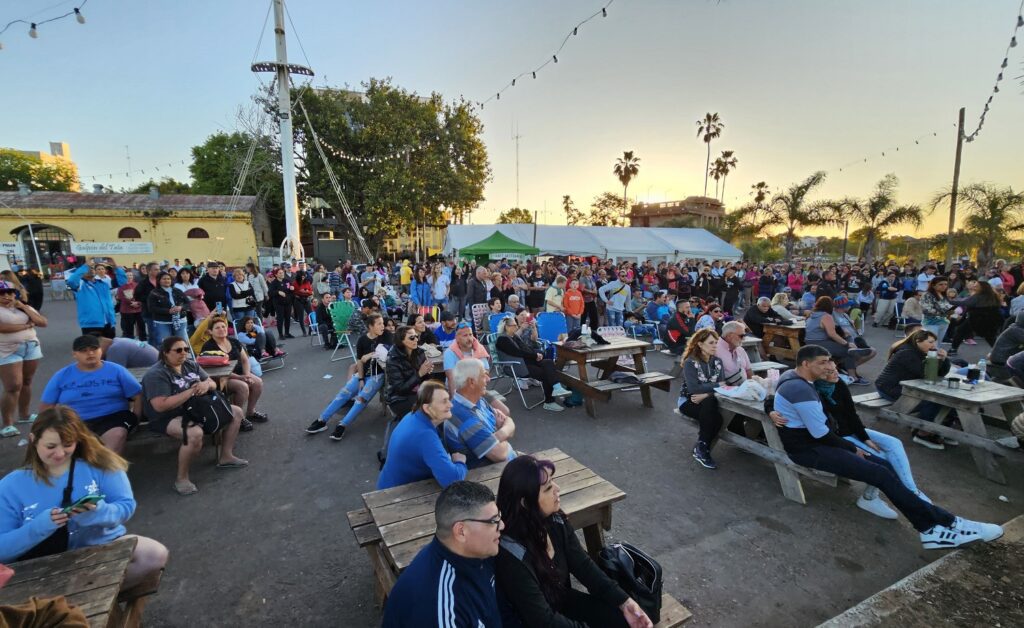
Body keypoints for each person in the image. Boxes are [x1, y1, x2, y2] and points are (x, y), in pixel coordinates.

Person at [772, 344, 1003, 549]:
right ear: (805, 364)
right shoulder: (801, 389)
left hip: (821, 442)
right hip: (809, 449)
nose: (829, 366)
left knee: (885, 466)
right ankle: (944, 523)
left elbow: (780, 399)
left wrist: (771, 408)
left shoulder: (795, 377)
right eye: (822, 363)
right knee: (879, 472)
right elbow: (820, 433)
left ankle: (933, 527)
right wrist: (853, 448)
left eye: (829, 361)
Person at [0, 406, 169, 588]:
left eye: (68, 445)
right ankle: (84, 592)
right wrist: (39, 527)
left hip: (99, 546)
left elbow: (125, 506)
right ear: (33, 440)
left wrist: (99, 512)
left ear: (77, 440)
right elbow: (3, 550)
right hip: (40, 563)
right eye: (50, 446)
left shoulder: (101, 465)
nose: (60, 454)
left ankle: (92, 592)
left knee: (154, 554)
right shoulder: (11, 485)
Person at [496, 455, 653, 628]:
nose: (557, 489)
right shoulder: (512, 554)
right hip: (531, 622)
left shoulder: (554, 520)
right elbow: (542, 620)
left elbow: (584, 567)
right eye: (548, 488)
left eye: (553, 481)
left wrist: (624, 601)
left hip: (561, 601)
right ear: (526, 503)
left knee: (628, 618)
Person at [770, 358, 930, 518]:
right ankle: (870, 498)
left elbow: (852, 414)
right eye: (830, 372)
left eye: (836, 369)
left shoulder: (839, 384)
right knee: (881, 459)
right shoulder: (808, 390)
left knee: (894, 443)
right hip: (837, 436)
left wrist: (865, 438)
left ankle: (912, 491)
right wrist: (770, 410)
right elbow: (774, 398)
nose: (836, 374)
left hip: (852, 430)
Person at [382, 480, 501, 627]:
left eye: (499, 516)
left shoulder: (477, 553)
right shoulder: (442, 609)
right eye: (494, 521)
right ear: (461, 531)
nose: (502, 525)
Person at [141, 337, 248, 496]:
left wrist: (205, 385)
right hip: (168, 416)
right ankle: (181, 479)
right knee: (194, 434)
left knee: (237, 412)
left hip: (197, 408)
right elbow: (160, 406)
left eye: (185, 349)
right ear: (165, 353)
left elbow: (212, 383)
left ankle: (226, 456)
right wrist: (191, 391)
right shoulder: (156, 374)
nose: (183, 353)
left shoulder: (190, 364)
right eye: (178, 350)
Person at [39, 335, 142, 455]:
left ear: (101, 350)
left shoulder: (116, 370)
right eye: (83, 350)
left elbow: (138, 395)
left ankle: (108, 465)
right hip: (75, 420)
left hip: (114, 417)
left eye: (94, 349)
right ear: (74, 354)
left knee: (117, 435)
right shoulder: (62, 375)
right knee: (70, 445)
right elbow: (46, 406)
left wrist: (136, 419)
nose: (90, 353)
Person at [307, 313, 390, 440]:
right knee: (343, 394)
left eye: (383, 323)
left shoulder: (386, 336)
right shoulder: (362, 340)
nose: (383, 326)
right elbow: (359, 362)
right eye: (379, 324)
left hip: (377, 376)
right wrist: (361, 378)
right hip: (363, 374)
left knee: (361, 399)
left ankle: (342, 425)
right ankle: (322, 420)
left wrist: (372, 355)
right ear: (370, 326)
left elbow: (390, 351)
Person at [377, 381, 468, 490]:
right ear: (427, 408)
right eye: (444, 401)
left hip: (389, 484)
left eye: (448, 399)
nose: (451, 405)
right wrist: (460, 462)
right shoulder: (424, 435)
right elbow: (452, 481)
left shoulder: (413, 415)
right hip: (397, 494)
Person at [875, 329, 954, 450]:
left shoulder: (920, 352)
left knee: (944, 399)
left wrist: (944, 360)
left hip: (906, 386)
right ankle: (922, 433)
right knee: (932, 400)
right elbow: (925, 374)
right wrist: (935, 359)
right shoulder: (907, 353)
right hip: (889, 388)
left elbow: (940, 374)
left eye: (934, 342)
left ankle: (938, 429)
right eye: (930, 342)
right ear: (918, 341)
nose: (934, 345)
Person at [446, 359, 518, 466]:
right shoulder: (464, 418)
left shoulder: (478, 400)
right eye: (484, 375)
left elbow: (505, 427)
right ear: (471, 382)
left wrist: (496, 436)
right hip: (491, 470)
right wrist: (507, 426)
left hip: (509, 458)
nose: (488, 379)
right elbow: (500, 454)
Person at [0, 281, 47, 438]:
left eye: (10, 292)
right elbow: (2, 328)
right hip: (7, 350)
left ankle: (24, 414)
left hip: (30, 347)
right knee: (13, 386)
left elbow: (42, 322)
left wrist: (24, 307)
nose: (6, 296)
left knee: (26, 381)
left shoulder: (23, 307)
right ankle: (7, 424)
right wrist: (27, 326)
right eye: (1, 293)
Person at [201, 318, 267, 429]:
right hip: (221, 377)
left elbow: (245, 360)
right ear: (210, 331)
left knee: (258, 382)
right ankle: (237, 417)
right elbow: (217, 371)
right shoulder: (208, 346)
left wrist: (247, 374)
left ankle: (251, 411)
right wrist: (241, 378)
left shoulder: (233, 341)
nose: (221, 329)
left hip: (240, 373)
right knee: (243, 386)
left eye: (223, 326)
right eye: (217, 328)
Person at [496, 317, 571, 412]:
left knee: (548, 362)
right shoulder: (502, 340)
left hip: (525, 363)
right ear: (506, 327)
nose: (516, 327)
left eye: (516, 325)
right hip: (516, 366)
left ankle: (557, 388)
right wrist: (534, 355)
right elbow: (517, 352)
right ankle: (549, 402)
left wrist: (536, 354)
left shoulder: (514, 337)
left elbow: (525, 348)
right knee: (546, 373)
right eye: (514, 325)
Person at [679, 329, 728, 470]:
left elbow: (724, 387)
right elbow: (694, 389)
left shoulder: (717, 362)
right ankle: (702, 449)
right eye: (711, 343)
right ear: (700, 344)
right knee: (716, 418)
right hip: (689, 402)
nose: (715, 346)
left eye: (716, 342)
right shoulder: (690, 362)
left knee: (716, 416)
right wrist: (716, 386)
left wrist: (706, 394)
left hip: (708, 401)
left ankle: (701, 446)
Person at [805, 296, 871, 385]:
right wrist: (847, 344)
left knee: (846, 347)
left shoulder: (812, 315)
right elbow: (832, 334)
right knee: (849, 351)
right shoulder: (826, 316)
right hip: (821, 343)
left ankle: (844, 368)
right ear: (829, 306)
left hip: (809, 343)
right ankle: (853, 377)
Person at [385, 325, 433, 420]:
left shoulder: (419, 352)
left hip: (418, 392)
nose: (416, 339)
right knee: (427, 410)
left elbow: (425, 380)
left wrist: (427, 372)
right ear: (401, 340)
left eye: (416, 336)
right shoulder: (393, 359)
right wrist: (419, 374)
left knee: (440, 400)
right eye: (412, 337)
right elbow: (400, 389)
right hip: (399, 398)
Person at [949, 280, 1004, 355]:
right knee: (990, 337)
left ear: (982, 287)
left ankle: (953, 349)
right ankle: (1000, 352)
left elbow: (965, 302)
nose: (974, 286)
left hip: (977, 318)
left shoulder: (979, 296)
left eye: (976, 286)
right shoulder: (993, 295)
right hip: (992, 318)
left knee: (961, 331)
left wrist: (950, 301)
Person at [66, 263, 119, 337]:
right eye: (88, 268)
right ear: (82, 272)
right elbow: (71, 281)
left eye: (92, 268)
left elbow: (122, 281)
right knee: (93, 344)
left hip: (109, 323)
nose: (91, 269)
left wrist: (117, 267)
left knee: (110, 344)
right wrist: (84, 266)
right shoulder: (80, 284)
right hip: (91, 325)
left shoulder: (103, 283)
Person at [146, 272, 188, 347]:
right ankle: (165, 355)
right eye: (164, 279)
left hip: (180, 321)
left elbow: (188, 303)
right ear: (159, 280)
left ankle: (181, 355)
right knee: (165, 343)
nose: (167, 280)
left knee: (181, 342)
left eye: (168, 279)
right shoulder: (154, 293)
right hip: (162, 322)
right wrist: (168, 311)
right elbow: (151, 308)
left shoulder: (178, 291)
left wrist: (181, 307)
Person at [715, 321, 752, 385]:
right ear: (730, 336)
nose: (744, 339)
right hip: (724, 388)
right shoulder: (714, 348)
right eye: (741, 336)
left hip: (744, 387)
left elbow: (749, 370)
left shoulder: (740, 349)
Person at [921, 276, 954, 345]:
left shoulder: (944, 295)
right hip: (931, 323)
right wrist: (944, 313)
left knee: (938, 344)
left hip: (944, 322)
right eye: (940, 284)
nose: (944, 286)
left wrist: (952, 312)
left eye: (945, 284)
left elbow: (948, 307)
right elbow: (926, 309)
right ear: (933, 285)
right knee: (931, 344)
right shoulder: (927, 295)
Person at [115, 272, 146, 340]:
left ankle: (143, 341)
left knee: (141, 327)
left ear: (133, 276)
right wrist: (131, 303)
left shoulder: (137, 285)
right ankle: (130, 341)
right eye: (127, 275)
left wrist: (138, 303)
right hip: (127, 310)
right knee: (128, 329)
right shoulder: (121, 287)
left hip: (139, 309)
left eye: (131, 275)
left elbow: (142, 295)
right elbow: (121, 297)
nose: (129, 276)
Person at [269, 268, 295, 339]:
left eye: (282, 272)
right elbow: (270, 293)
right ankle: (280, 334)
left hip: (287, 303)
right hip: (278, 304)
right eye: (280, 273)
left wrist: (292, 288)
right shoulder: (274, 283)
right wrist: (278, 292)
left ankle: (287, 333)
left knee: (287, 318)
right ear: (276, 275)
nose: (282, 274)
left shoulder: (287, 281)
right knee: (280, 319)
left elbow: (291, 291)